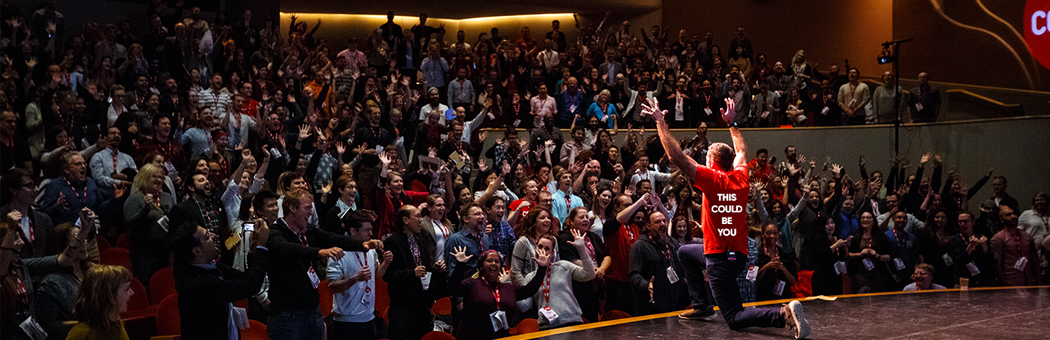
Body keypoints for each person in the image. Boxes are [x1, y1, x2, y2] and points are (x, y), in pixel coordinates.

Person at [643, 97, 810, 338]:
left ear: (710, 162)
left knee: (733, 317)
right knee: (684, 252)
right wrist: (733, 124)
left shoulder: (710, 179)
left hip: (719, 259)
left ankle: (783, 314)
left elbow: (675, 156)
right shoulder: (741, 178)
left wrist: (660, 122)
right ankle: (702, 306)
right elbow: (741, 150)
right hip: (736, 256)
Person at [265, 188, 382, 340]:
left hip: (312, 310)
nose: (311, 212)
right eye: (307, 208)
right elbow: (287, 248)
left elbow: (334, 238)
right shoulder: (275, 232)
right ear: (292, 208)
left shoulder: (309, 230)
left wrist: (363, 245)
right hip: (287, 314)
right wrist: (319, 252)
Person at [171, 218, 269, 340]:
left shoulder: (212, 266)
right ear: (197, 252)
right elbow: (250, 286)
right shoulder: (198, 283)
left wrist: (253, 250)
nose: (213, 236)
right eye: (207, 237)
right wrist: (262, 247)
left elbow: (245, 278)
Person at [448, 246, 549, 339]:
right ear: (481, 266)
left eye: (496, 261)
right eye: (489, 261)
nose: (493, 263)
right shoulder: (471, 284)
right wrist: (460, 265)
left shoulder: (508, 288)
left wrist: (542, 268)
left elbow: (530, 290)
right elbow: (453, 288)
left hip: (501, 337)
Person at [326, 210, 393, 340]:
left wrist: (385, 263)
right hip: (347, 320)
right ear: (353, 231)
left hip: (369, 317)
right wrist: (355, 278)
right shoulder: (338, 252)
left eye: (371, 229)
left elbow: (376, 275)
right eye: (366, 230)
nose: (370, 234)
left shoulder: (370, 249)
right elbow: (332, 287)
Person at [383, 205, 446, 340]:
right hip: (402, 307)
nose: (421, 220)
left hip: (422, 304)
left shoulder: (420, 240)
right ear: (405, 220)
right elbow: (388, 275)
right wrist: (412, 273)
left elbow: (425, 268)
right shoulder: (393, 242)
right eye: (417, 216)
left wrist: (436, 269)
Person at [123, 163, 175, 286]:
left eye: (161, 177)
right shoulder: (135, 199)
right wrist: (145, 209)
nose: (158, 179)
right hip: (143, 251)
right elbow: (130, 223)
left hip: (165, 249)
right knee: (144, 283)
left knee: (163, 284)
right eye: (154, 176)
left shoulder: (167, 197)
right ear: (144, 178)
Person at [534, 231, 595, 329]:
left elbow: (589, 275)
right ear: (535, 249)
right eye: (540, 247)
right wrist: (509, 281)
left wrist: (581, 249)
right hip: (547, 327)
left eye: (547, 248)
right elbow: (524, 306)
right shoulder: (530, 277)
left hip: (572, 322)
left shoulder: (563, 266)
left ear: (553, 253)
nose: (542, 251)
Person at [66, 265, 134, 340]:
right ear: (108, 295)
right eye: (127, 288)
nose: (132, 292)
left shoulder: (114, 321)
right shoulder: (82, 335)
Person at [990, 206, 1040, 286]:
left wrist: (1038, 281)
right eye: (1008, 215)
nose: (1013, 216)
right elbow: (997, 265)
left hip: (1029, 282)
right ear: (1001, 220)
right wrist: (1004, 285)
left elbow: (1035, 261)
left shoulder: (1027, 236)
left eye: (1014, 214)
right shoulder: (998, 238)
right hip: (1010, 282)